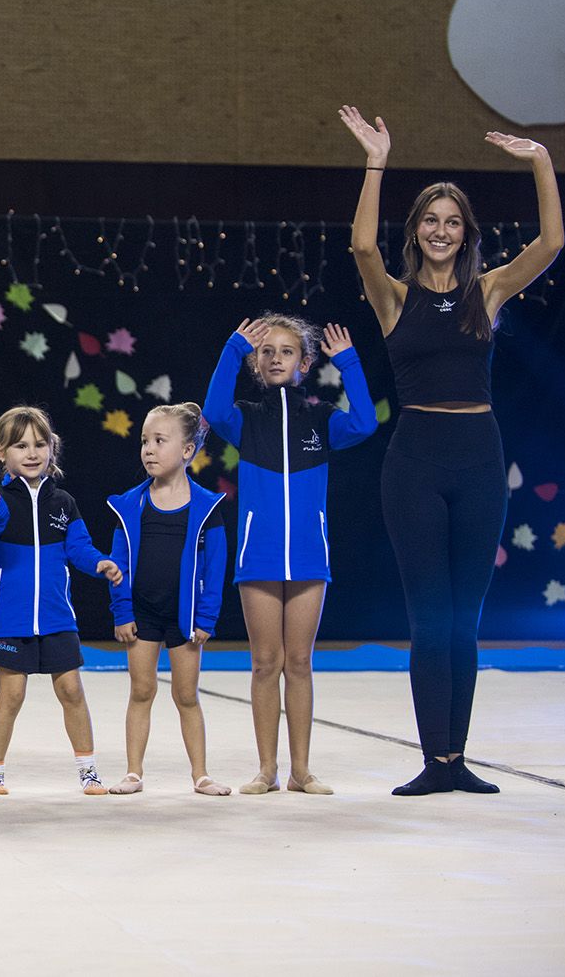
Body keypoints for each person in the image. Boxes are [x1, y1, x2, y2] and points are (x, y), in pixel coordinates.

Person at [338, 105, 563, 795]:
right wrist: (376, 164)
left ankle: (455, 761)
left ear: (466, 234)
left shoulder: (486, 289)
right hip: (415, 461)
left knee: (465, 618)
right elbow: (362, 248)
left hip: (478, 456)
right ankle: (432, 760)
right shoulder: (393, 297)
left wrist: (540, 161)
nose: (441, 230)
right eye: (430, 220)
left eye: (452, 221)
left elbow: (550, 243)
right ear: (419, 232)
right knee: (427, 615)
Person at [203, 315, 377, 795]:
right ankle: (267, 770)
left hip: (307, 557)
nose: (276, 357)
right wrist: (233, 348)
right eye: (267, 352)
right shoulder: (245, 417)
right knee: (265, 662)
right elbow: (213, 411)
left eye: (286, 351)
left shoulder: (320, 419)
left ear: (303, 364)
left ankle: (302, 771)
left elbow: (365, 422)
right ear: (257, 364)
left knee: (299, 661)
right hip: (257, 555)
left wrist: (349, 363)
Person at [0, 406, 121, 797]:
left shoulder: (64, 502)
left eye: (40, 444)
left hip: (58, 619)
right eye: (21, 445)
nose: (32, 452)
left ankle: (88, 772)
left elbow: (80, 548)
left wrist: (100, 562)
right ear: (2, 452)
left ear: (52, 448)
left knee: (72, 690)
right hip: (10, 622)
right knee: (12, 696)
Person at [104, 403, 230, 797]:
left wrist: (206, 617)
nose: (149, 450)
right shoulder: (130, 505)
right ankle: (133, 772)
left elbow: (216, 568)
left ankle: (201, 774)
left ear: (188, 451)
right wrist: (122, 611)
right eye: (145, 441)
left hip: (185, 617)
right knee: (141, 691)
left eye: (160, 441)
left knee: (186, 695)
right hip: (142, 615)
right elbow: (117, 563)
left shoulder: (207, 507)